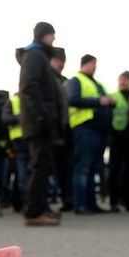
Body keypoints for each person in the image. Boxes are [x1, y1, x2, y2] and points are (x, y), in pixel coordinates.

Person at [17, 21, 63, 226]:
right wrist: (43, 116)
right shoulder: (34, 55)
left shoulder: (39, 55)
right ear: (43, 35)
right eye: (52, 34)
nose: (54, 38)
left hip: (40, 122)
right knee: (39, 166)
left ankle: (41, 207)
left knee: (42, 166)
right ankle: (34, 212)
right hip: (38, 122)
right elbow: (29, 86)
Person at [66, 54, 113, 214]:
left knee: (94, 169)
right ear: (85, 64)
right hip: (85, 130)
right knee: (83, 168)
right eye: (93, 64)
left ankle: (91, 204)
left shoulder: (97, 83)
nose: (95, 67)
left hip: (100, 131)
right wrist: (98, 101)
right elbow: (72, 99)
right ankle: (80, 204)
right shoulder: (75, 81)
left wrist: (109, 102)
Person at [108, 71, 129, 212]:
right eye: (120, 80)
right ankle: (114, 202)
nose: (122, 83)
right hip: (116, 139)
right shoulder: (113, 96)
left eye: (125, 80)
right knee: (114, 170)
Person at [49, 47, 73, 211]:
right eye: (58, 60)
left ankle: (68, 199)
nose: (61, 63)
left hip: (65, 131)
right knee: (48, 168)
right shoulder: (46, 79)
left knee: (65, 168)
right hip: (50, 130)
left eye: (63, 60)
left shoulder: (66, 81)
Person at [2, 90, 27, 211]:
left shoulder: (29, 100)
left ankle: (27, 202)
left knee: (29, 174)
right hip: (19, 143)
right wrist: (22, 117)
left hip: (31, 141)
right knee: (21, 175)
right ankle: (23, 203)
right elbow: (6, 119)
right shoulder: (12, 102)